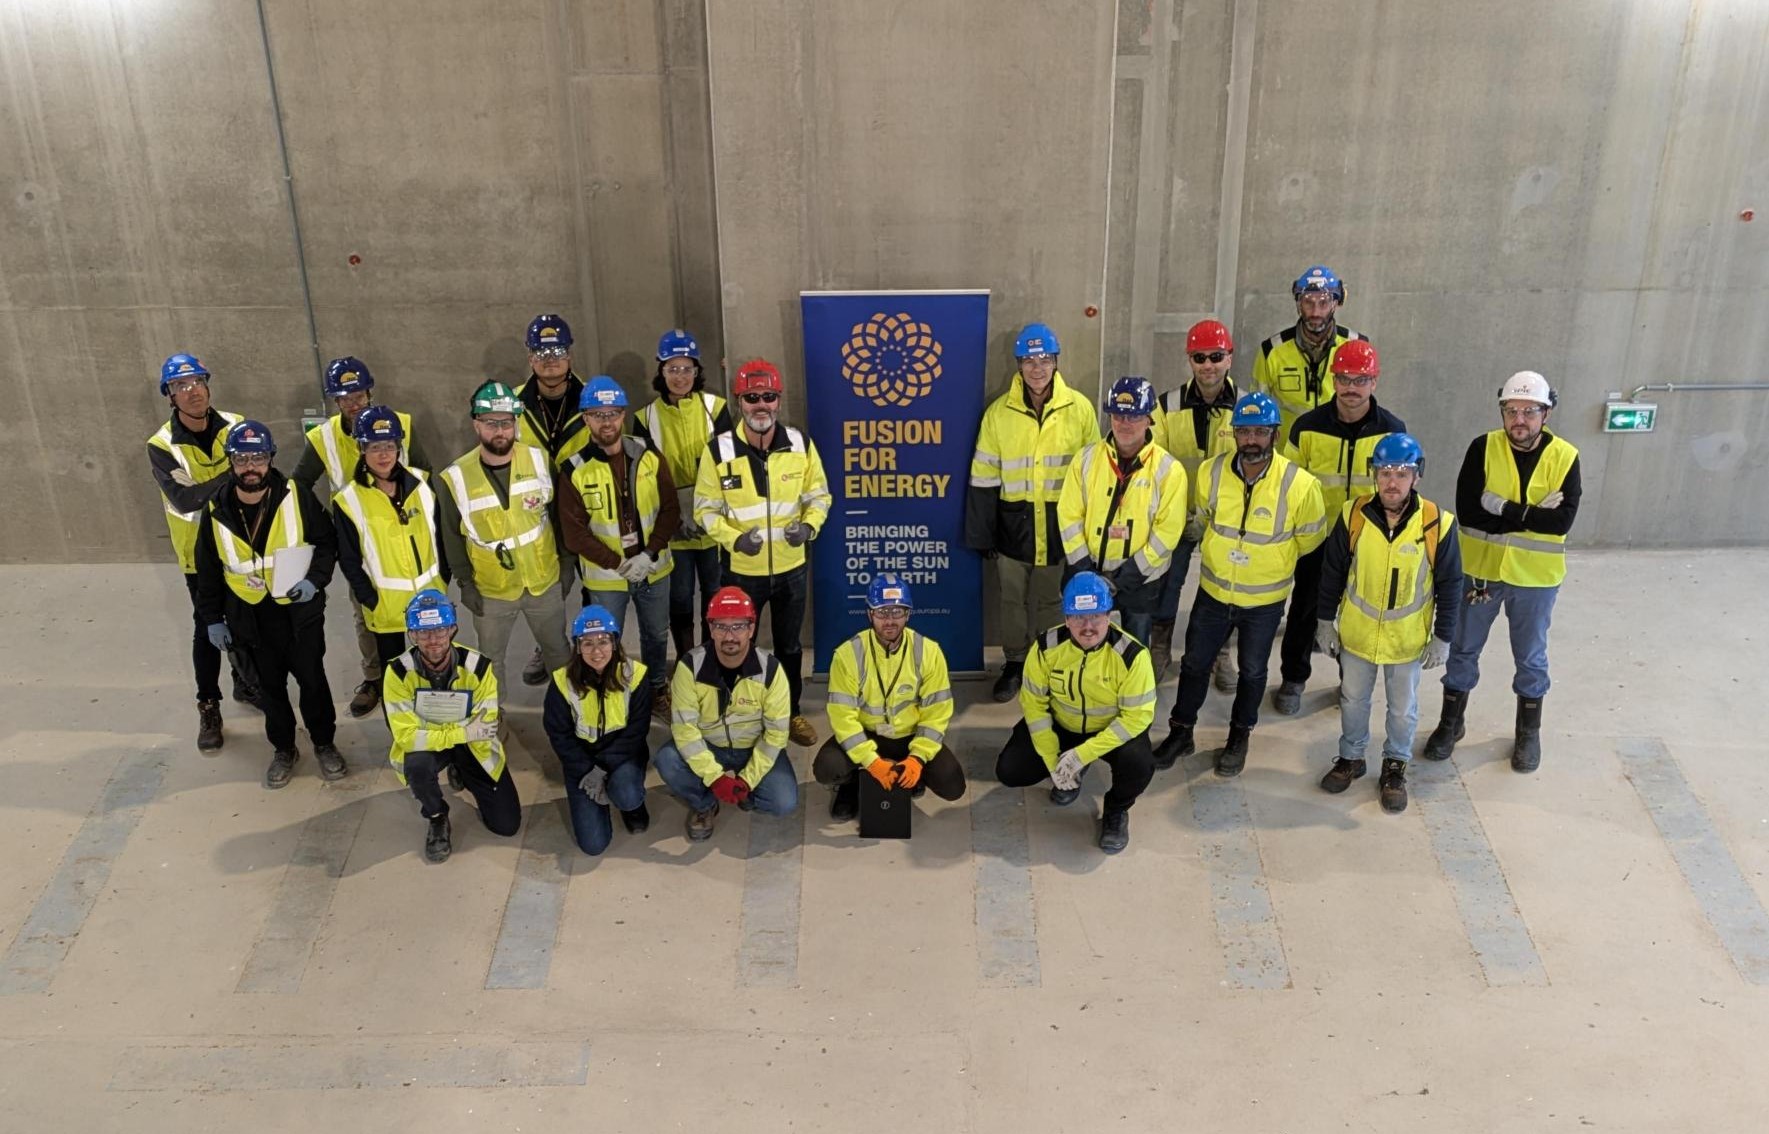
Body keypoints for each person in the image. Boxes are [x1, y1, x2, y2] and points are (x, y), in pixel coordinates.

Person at [1151, 392, 1327, 777]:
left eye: (1259, 432)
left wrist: (1267, 566)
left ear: (1275, 435)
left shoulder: (1300, 485)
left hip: (1264, 603)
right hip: (1213, 593)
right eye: (1243, 431)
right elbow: (1202, 520)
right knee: (1195, 664)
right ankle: (1181, 733)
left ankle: (1238, 737)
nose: (1251, 440)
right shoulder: (1211, 473)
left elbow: (1310, 541)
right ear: (1233, 434)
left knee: (1252, 671)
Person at [1422, 371, 1581, 773]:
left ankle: (1528, 733)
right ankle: (1450, 723)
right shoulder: (1482, 448)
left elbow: (1560, 523)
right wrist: (1531, 514)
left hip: (1535, 579)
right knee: (1462, 650)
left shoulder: (1566, 457)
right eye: (1511, 410)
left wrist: (1502, 507)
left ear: (1546, 413)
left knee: (1530, 657)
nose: (1519, 420)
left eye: (1529, 411)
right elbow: (1469, 510)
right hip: (1480, 573)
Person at [193, 421, 347, 788]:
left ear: (270, 458)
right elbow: (208, 571)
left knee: (313, 682)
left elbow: (327, 543)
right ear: (230, 462)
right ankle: (284, 749)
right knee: (270, 690)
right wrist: (213, 619)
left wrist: (315, 581)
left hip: (299, 615)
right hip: (250, 619)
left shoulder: (297, 496)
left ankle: (324, 743)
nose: (251, 466)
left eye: (258, 457)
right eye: (242, 458)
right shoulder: (215, 510)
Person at [1314, 434, 1462, 813]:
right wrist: (1325, 621)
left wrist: (1443, 636)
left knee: (1402, 709)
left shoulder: (1437, 524)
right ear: (1373, 475)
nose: (1392, 482)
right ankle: (1351, 757)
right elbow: (1332, 572)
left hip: (1406, 640)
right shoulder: (1353, 515)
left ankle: (1395, 766)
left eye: (1402, 473)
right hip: (1359, 634)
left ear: (1417, 476)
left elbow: (1450, 584)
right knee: (1353, 700)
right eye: (1384, 473)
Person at [693, 359, 831, 747]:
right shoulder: (718, 451)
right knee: (739, 647)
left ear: (778, 400)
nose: (761, 405)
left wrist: (808, 527)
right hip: (741, 572)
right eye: (752, 398)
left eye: (768, 397)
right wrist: (734, 539)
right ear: (740, 401)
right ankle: (745, 716)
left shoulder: (800, 444)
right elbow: (704, 509)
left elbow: (819, 495)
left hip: (792, 570)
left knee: (789, 647)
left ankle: (791, 714)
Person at [965, 322, 1098, 703]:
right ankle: (1016, 664)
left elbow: (1092, 474)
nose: (1037, 368)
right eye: (1029, 360)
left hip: (1060, 526)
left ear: (1056, 362)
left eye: (1044, 359)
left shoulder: (1080, 409)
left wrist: (1087, 529)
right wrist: (983, 534)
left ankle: (1050, 664)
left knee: (1049, 600)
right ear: (1018, 365)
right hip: (1013, 527)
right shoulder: (998, 414)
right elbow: (984, 475)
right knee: (1011, 601)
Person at [1271, 340, 1406, 716]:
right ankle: (1294, 679)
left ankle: (1351, 682)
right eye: (1344, 378)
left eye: (1360, 379)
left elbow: (1400, 490)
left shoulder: (1392, 432)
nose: (1351, 387)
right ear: (1333, 379)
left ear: (1374, 381)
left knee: (1358, 616)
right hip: (1317, 540)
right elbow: (1288, 487)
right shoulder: (1306, 427)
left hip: (1367, 543)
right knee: (1304, 611)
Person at [291, 356, 431, 716]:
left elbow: (424, 473)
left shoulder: (400, 425)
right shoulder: (324, 438)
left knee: (422, 608)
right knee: (366, 611)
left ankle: (426, 674)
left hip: (402, 534)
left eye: (358, 395)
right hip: (359, 541)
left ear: (370, 392)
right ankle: (375, 678)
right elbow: (299, 486)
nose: (353, 403)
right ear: (335, 402)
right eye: (344, 398)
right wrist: (329, 524)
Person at [993, 571, 1156, 855]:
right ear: (1066, 619)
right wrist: (1052, 759)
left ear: (1109, 616)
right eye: (1079, 618)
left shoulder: (1132, 656)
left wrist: (1083, 754)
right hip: (1062, 725)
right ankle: (1069, 776)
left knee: (1139, 764)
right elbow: (1033, 703)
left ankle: (1116, 810)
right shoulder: (1046, 647)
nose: (1088, 626)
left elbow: (1136, 718)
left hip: (1108, 731)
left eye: (1096, 616)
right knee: (1010, 770)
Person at [145, 351, 254, 750]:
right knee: (206, 629)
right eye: (180, 386)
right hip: (197, 553)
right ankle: (209, 704)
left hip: (240, 545)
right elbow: (186, 499)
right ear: (170, 396)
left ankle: (244, 681)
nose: (192, 392)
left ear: (208, 385)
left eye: (197, 382)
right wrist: (235, 473)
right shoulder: (162, 445)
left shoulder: (238, 425)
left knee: (245, 616)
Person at [559, 375, 679, 719]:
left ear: (623, 414)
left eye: (612, 413)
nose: (606, 421)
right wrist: (619, 562)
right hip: (606, 578)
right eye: (597, 414)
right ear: (585, 419)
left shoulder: (648, 454)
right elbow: (574, 533)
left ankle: (656, 688)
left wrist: (649, 553)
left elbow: (670, 509)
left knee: (656, 634)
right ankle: (611, 695)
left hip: (654, 568)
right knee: (604, 641)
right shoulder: (574, 469)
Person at [437, 380, 570, 690]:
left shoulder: (539, 461)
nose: (500, 431)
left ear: (515, 423)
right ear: (476, 424)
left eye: (506, 422)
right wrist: (465, 584)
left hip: (543, 581)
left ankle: (571, 713)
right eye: (490, 423)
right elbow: (451, 536)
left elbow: (558, 516)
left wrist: (566, 561)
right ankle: (491, 728)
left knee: (558, 653)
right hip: (491, 589)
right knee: (490, 662)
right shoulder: (454, 478)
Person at [814, 573, 966, 823]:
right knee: (827, 768)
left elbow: (937, 713)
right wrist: (871, 761)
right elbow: (843, 717)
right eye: (882, 612)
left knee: (952, 786)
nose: (890, 620)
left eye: (897, 612)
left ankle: (910, 774)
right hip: (867, 733)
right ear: (869, 614)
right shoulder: (848, 654)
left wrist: (918, 757)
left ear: (908, 614)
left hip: (910, 735)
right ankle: (851, 784)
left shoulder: (928, 651)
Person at [383, 590, 521, 864]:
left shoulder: (479, 668)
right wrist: (462, 732)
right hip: (441, 743)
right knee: (417, 766)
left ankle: (463, 770)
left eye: (439, 630)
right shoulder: (398, 673)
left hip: (472, 746)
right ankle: (436, 816)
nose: (432, 640)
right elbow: (407, 737)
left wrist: (465, 736)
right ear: (411, 635)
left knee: (507, 826)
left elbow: (485, 728)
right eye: (423, 632)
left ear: (453, 629)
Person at [654, 586, 799, 840]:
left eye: (738, 626)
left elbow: (776, 734)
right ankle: (704, 804)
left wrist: (749, 779)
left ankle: (744, 793)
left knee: (783, 800)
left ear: (751, 629)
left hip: (753, 747)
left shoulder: (771, 671)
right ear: (710, 629)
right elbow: (685, 731)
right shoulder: (689, 668)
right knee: (667, 761)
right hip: (710, 747)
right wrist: (714, 778)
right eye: (721, 626)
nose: (729, 636)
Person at [1056, 376, 1185, 646]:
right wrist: (1083, 569)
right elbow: (1068, 516)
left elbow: (1167, 533)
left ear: (1149, 418)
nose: (1124, 423)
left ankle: (1133, 687)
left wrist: (1127, 576)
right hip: (1086, 571)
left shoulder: (1169, 470)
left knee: (1135, 647)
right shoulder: (1086, 459)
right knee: (1083, 641)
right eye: (1118, 415)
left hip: (1140, 579)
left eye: (1134, 416)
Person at [633, 329, 733, 666]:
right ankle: (688, 660)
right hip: (671, 526)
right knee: (678, 599)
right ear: (660, 371)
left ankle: (711, 657)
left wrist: (713, 513)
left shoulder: (716, 409)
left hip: (712, 520)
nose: (680, 376)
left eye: (687, 368)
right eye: (672, 369)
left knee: (714, 593)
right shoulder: (643, 418)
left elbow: (729, 464)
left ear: (697, 370)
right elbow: (644, 477)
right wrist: (671, 519)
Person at [1150, 319, 1242, 683]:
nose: (1208, 365)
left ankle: (1221, 652)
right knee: (1167, 582)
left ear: (1229, 358)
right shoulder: (1167, 406)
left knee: (1224, 583)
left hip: (1225, 519)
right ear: (1190, 360)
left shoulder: (1246, 409)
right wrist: (1174, 515)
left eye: (1216, 357)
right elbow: (1152, 463)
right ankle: (1160, 647)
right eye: (1200, 357)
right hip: (1178, 517)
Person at [332, 406, 449, 668]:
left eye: (389, 444)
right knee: (394, 675)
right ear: (362, 449)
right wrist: (369, 599)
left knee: (437, 666)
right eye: (374, 447)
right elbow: (349, 559)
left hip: (432, 598)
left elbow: (440, 536)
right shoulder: (348, 500)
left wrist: (444, 576)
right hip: (385, 607)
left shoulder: (421, 483)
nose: (383, 454)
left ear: (399, 446)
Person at [512, 313, 590, 684]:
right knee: (547, 589)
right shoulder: (512, 405)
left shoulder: (592, 397)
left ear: (570, 354)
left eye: (558, 349)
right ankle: (548, 647)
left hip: (589, 513)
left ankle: (595, 646)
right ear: (530, 358)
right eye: (541, 352)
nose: (550, 358)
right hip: (538, 515)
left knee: (596, 585)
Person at [542, 605, 653, 856]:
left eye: (603, 641)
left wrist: (602, 768)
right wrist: (586, 770)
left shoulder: (634, 675)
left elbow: (637, 731)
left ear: (615, 643)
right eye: (587, 643)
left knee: (627, 792)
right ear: (577, 647)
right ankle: (598, 794)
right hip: (582, 759)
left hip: (623, 754)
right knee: (593, 845)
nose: (596, 651)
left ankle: (632, 806)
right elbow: (559, 734)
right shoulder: (562, 681)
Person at [1252, 265, 1372, 435]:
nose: (1315, 312)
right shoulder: (1271, 351)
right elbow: (1257, 410)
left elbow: (1365, 404)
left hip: (1335, 449)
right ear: (1299, 303)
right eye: (1308, 302)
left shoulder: (1357, 346)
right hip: (1287, 454)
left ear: (1336, 303)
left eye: (1323, 303)